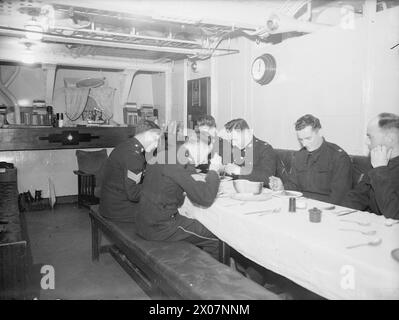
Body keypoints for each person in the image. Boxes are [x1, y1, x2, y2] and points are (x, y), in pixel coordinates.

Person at [135, 135, 224, 259]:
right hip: (160, 227)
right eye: (207, 153)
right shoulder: (176, 164)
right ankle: (212, 275)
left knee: (194, 220)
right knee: (217, 238)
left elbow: (179, 181)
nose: (205, 160)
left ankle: (196, 262)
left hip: (143, 221)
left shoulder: (165, 155)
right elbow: (205, 198)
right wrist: (214, 171)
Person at [269, 114, 352, 205]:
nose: (304, 144)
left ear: (319, 132)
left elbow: (339, 198)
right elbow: (294, 186)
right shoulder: (299, 156)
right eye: (300, 140)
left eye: (308, 138)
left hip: (325, 209)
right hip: (301, 206)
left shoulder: (338, 157)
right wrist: (282, 188)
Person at [99, 120, 162, 222]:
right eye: (156, 139)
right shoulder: (134, 156)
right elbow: (134, 194)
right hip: (120, 209)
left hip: (109, 204)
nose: (156, 145)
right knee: (164, 211)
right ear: (147, 135)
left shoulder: (126, 146)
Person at [342, 113, 399, 219]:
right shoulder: (377, 161)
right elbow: (357, 197)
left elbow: (394, 215)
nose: (367, 142)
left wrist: (380, 169)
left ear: (390, 139)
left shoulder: (379, 165)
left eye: (370, 137)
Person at [223, 118, 278, 187]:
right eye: (231, 140)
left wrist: (240, 171)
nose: (233, 144)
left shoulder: (265, 149)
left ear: (246, 133)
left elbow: (269, 178)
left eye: (235, 140)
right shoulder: (235, 147)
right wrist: (224, 168)